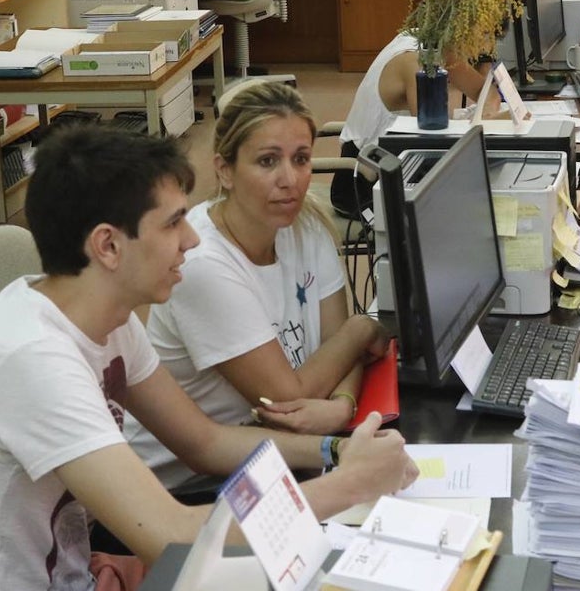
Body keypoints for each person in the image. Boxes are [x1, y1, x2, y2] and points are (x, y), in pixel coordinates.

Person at [0, 126, 416, 591]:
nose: (192, 239)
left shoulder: (106, 318)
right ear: (108, 245)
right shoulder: (34, 360)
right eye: (174, 222)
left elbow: (204, 441)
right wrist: (349, 486)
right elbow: (173, 535)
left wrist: (334, 453)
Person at [124, 82, 389, 489]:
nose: (290, 180)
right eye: (268, 161)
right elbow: (288, 398)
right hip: (195, 484)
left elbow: (340, 353)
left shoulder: (304, 222)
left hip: (281, 455)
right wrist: (362, 327)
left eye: (301, 159)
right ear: (225, 170)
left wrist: (341, 405)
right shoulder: (202, 263)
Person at [329, 33, 498, 220]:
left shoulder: (438, 45)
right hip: (360, 186)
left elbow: (486, 92)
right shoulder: (414, 61)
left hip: (391, 169)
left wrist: (485, 67)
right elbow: (434, 139)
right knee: (457, 215)